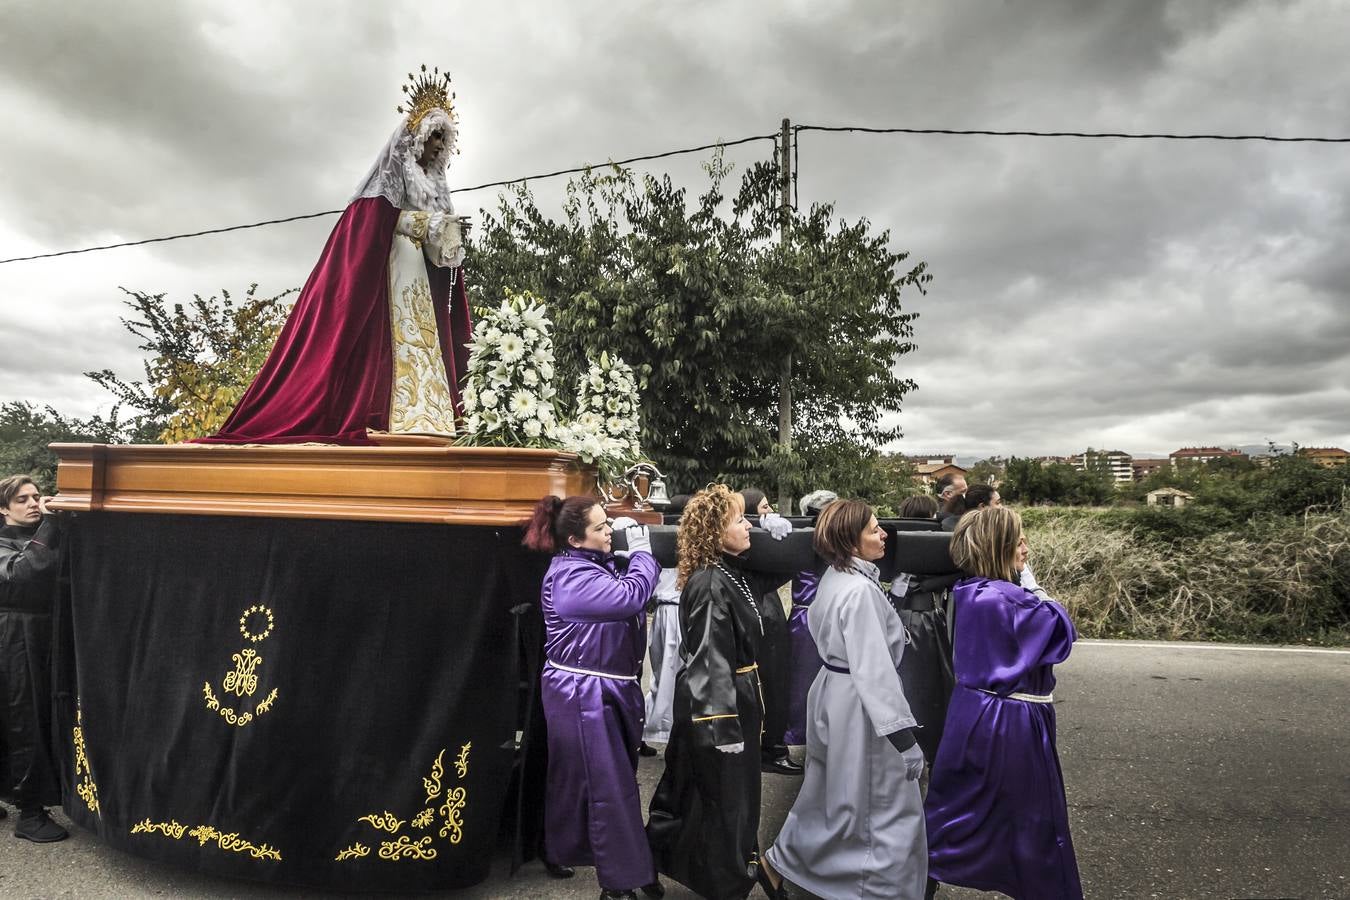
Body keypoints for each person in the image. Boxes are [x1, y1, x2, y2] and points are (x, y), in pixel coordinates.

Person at [200, 66, 472, 444]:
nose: (440, 146)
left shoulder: (434, 183)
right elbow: (377, 223)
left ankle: (431, 414)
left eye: (445, 139)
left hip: (420, 278)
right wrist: (419, 225)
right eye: (435, 137)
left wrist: (450, 236)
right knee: (392, 342)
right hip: (392, 269)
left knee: (425, 339)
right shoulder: (391, 177)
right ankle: (389, 415)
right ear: (416, 139)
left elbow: (440, 251)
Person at [763, 499, 927, 899]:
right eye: (874, 529)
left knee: (832, 794)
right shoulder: (859, 591)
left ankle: (780, 862)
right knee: (884, 803)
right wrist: (903, 739)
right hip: (860, 704)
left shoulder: (837, 577)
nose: (883, 533)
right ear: (850, 541)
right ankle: (883, 888)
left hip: (836, 692)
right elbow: (874, 671)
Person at [925, 506, 1082, 900]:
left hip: (978, 712)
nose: (1026, 546)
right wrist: (1032, 583)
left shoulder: (972, 590)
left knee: (956, 808)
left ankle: (918, 876)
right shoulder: (1005, 598)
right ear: (998, 546)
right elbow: (1062, 629)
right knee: (1035, 820)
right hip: (1009, 720)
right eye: (1019, 539)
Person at [523, 495, 664, 900]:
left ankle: (569, 849)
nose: (610, 531)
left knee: (588, 783)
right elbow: (629, 598)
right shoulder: (569, 577)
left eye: (609, 523)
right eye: (601, 527)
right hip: (583, 692)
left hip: (604, 687)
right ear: (575, 539)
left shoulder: (591, 563)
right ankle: (623, 878)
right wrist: (640, 553)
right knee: (607, 786)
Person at [646, 485, 764, 900]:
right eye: (739, 520)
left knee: (695, 793)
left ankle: (659, 862)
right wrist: (722, 728)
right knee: (721, 800)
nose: (749, 524)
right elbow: (711, 658)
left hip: (730, 698)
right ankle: (726, 882)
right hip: (718, 706)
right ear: (715, 532)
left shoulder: (728, 571)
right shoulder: (713, 583)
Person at [0, 475, 68, 842]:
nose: (32, 503)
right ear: (3, 508)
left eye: (36, 496)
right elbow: (22, 573)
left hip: (37, 635)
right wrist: (51, 523)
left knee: (24, 716)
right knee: (25, 720)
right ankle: (29, 813)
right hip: (14, 636)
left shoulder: (44, 537)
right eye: (22, 498)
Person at [737, 488, 800, 777]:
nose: (769, 511)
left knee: (775, 683)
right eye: (762, 508)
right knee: (768, 685)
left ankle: (771, 745)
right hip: (758, 613)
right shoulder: (744, 546)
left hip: (769, 608)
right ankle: (770, 749)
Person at [783, 489, 837, 747]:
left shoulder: (837, 540)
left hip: (831, 617)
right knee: (803, 676)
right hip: (806, 616)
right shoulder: (804, 539)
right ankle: (799, 732)